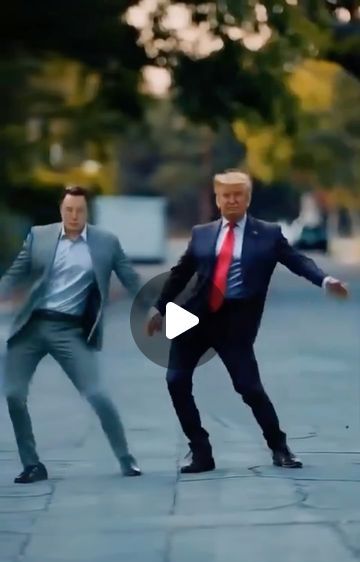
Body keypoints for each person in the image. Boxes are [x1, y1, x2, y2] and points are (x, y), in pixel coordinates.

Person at [147, 171, 349, 473]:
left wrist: (324, 279)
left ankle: (279, 447)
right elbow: (180, 273)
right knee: (176, 382)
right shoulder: (202, 233)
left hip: (234, 323)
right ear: (217, 199)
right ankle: (200, 450)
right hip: (193, 317)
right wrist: (159, 309)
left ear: (247, 198)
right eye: (225, 195)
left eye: (237, 195)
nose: (231, 200)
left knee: (249, 388)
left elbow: (297, 261)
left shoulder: (267, 234)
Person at [0, 185, 142, 483]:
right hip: (32, 325)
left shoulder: (105, 243)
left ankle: (126, 459)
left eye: (79, 210)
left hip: (70, 330)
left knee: (97, 394)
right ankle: (32, 465)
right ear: (61, 210)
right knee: (13, 395)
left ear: (87, 212)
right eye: (68, 210)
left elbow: (131, 280)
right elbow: (15, 274)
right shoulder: (40, 236)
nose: (73, 216)